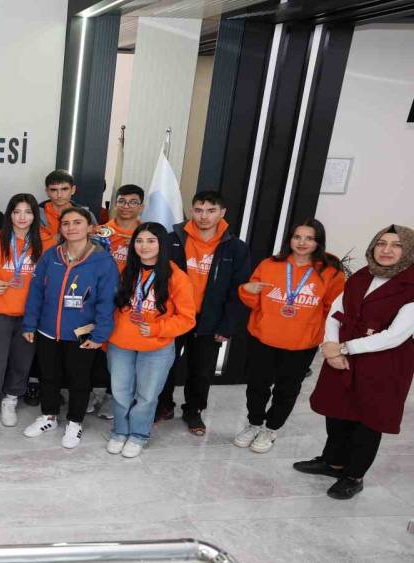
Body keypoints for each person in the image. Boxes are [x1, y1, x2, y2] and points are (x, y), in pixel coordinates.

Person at [296, 224, 413, 500]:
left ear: (408, 251)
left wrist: (343, 348)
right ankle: (333, 462)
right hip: (341, 356)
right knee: (336, 412)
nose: (386, 250)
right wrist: (330, 348)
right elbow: (336, 312)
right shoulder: (362, 275)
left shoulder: (411, 286)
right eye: (381, 243)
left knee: (367, 421)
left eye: (396, 245)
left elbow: (394, 336)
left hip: (382, 365)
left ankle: (354, 475)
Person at [234, 219, 345, 454]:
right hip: (263, 338)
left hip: (301, 344)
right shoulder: (270, 264)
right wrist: (246, 290)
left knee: (287, 389)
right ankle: (254, 423)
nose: (302, 243)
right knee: (257, 385)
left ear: (318, 242)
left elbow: (332, 311)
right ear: (290, 240)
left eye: (309, 238)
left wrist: (328, 340)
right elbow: (254, 301)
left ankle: (271, 428)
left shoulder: (331, 273)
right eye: (297, 237)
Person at [22, 206, 118, 448]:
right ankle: (49, 416)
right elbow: (36, 292)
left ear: (90, 227)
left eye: (77, 222)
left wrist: (100, 334)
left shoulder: (103, 260)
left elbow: (107, 301)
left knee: (79, 380)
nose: (71, 227)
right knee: (49, 376)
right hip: (47, 330)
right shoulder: (50, 256)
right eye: (66, 223)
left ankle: (75, 422)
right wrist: (30, 323)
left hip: (82, 333)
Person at [156, 190, 251, 436]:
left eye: (211, 211)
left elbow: (238, 290)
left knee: (201, 370)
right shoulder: (172, 239)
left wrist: (227, 325)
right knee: (164, 364)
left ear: (222, 213)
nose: (204, 216)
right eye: (198, 210)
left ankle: (193, 411)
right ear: (192, 211)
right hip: (174, 316)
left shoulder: (235, 248)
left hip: (210, 319)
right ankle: (164, 406)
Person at [106, 223, 196, 458]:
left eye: (150, 241)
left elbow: (187, 319)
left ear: (161, 244)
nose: (144, 246)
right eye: (139, 241)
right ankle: (120, 431)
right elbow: (111, 306)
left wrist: (157, 328)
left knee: (146, 395)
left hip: (156, 346)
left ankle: (138, 435)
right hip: (121, 344)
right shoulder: (124, 270)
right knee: (120, 391)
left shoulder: (177, 277)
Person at [0, 194, 52, 427]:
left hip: (30, 314)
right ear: (9, 214)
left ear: (35, 216)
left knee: (22, 361)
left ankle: (11, 399)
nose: (22, 217)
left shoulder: (47, 242)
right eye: (17, 212)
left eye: (28, 212)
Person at [89, 184, 146, 421]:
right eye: (121, 201)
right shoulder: (100, 231)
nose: (126, 206)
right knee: (94, 346)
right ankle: (92, 392)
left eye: (133, 202)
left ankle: (115, 396)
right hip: (99, 299)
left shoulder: (147, 234)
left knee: (121, 350)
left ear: (141, 206)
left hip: (131, 302)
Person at [37, 169, 77, 243]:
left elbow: (95, 243)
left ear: (73, 190)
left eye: (64, 189)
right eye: (54, 190)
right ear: (47, 192)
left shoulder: (86, 215)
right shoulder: (34, 214)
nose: (59, 195)